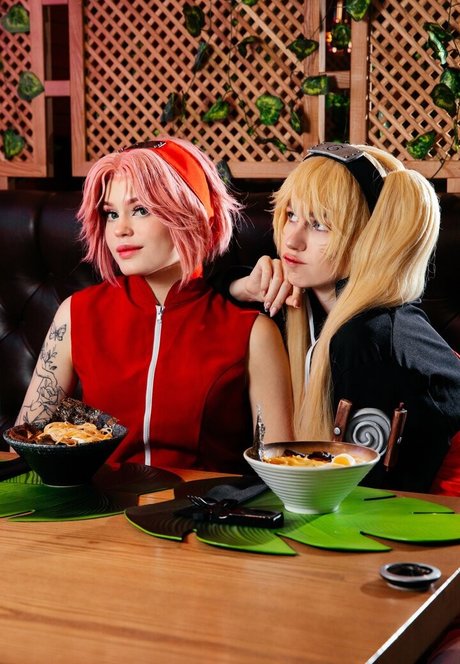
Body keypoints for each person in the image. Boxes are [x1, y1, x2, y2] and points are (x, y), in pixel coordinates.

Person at [15, 137, 294, 472]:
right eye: (111, 214)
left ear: (193, 215)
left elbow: (281, 473)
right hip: (97, 501)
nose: (120, 229)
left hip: (205, 504)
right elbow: (24, 447)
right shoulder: (76, 314)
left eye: (141, 210)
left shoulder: (253, 332)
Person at [229, 141, 460, 492]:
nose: (292, 240)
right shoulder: (304, 308)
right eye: (291, 215)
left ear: (370, 238)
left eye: (320, 224)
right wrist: (242, 287)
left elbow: (370, 488)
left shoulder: (370, 334)